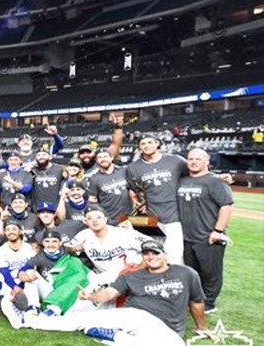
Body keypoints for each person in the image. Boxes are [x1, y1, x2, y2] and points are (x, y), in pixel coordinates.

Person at [24, 240, 208, 346]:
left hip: (164, 327)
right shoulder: (133, 276)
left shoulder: (186, 273)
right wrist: (91, 297)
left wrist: (202, 327)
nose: (151, 257)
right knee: (82, 320)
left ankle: (113, 336)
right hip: (134, 315)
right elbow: (108, 294)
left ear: (165, 255)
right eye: (146, 254)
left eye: (155, 253)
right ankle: (29, 320)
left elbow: (197, 301)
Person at [177, 148, 233, 313]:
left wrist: (218, 230)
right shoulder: (182, 180)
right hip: (187, 236)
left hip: (208, 235)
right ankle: (196, 299)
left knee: (210, 273)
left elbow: (226, 206)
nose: (194, 162)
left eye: (198, 159)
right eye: (191, 159)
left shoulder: (214, 181)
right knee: (193, 271)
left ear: (207, 162)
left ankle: (208, 303)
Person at [125, 134, 187, 264]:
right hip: (152, 217)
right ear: (139, 147)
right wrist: (140, 202)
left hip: (174, 215)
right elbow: (135, 189)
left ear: (157, 143)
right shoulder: (133, 168)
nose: (147, 146)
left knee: (175, 256)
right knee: (154, 254)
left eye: (150, 142)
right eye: (143, 144)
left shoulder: (176, 160)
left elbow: (194, 175)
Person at [70, 206, 151, 287]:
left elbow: (152, 244)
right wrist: (73, 249)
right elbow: (66, 249)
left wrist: (142, 266)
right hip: (105, 277)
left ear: (105, 219)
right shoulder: (84, 235)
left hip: (131, 274)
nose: (94, 221)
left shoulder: (122, 233)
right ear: (85, 222)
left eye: (98, 217)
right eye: (90, 218)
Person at [0, 221, 37, 329]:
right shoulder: (0, 250)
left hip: (24, 278)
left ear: (20, 231)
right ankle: (11, 308)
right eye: (8, 230)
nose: (11, 232)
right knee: (1, 282)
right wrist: (14, 287)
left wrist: (20, 284)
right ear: (5, 233)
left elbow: (31, 265)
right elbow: (4, 271)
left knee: (31, 277)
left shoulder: (28, 248)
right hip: (9, 280)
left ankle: (32, 308)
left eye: (14, 229)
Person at [84, 148, 130, 225]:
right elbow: (93, 200)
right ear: (96, 160)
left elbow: (134, 189)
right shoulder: (93, 178)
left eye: (105, 156)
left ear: (111, 158)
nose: (103, 159)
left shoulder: (124, 171)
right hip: (110, 218)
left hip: (129, 216)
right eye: (100, 157)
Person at [30, 147, 64, 212]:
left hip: (56, 207)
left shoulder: (60, 169)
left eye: (44, 155)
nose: (41, 157)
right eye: (39, 155)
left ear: (50, 157)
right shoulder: (32, 170)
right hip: (37, 208)